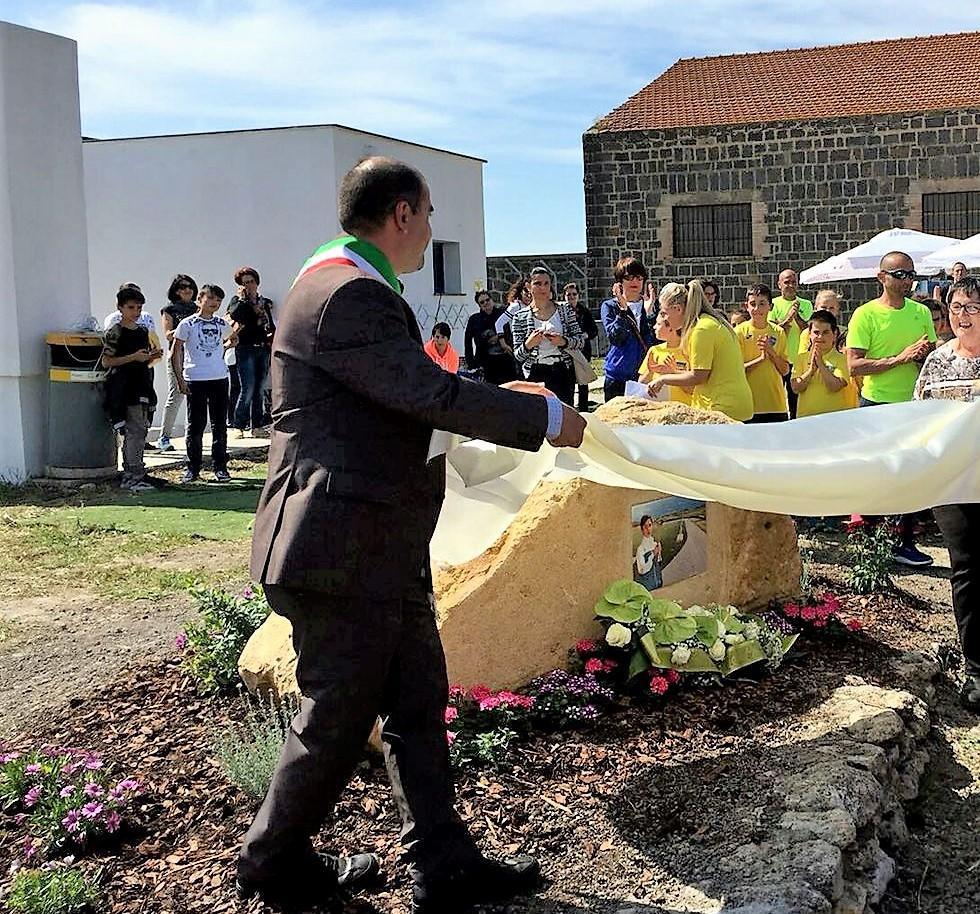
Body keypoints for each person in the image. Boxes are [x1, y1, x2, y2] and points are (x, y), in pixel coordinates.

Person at [238, 156, 586, 914]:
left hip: (375, 546)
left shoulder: (341, 286)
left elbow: (410, 401)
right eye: (427, 216)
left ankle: (443, 859)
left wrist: (497, 397)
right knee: (338, 713)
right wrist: (548, 418)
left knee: (416, 702)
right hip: (338, 547)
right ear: (400, 214)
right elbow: (425, 392)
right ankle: (272, 863)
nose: (431, 233)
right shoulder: (348, 293)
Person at [914, 275, 980, 712]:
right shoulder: (936, 362)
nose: (963, 315)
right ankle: (976, 670)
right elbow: (919, 418)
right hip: (953, 483)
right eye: (957, 307)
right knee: (967, 571)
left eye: (973, 307)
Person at [846, 250, 937, 567]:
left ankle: (904, 542)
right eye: (900, 274)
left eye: (911, 274)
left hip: (913, 405)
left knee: (911, 475)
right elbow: (854, 366)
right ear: (881, 277)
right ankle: (868, 540)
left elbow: (930, 359)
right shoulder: (865, 315)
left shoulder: (921, 313)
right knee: (876, 473)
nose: (908, 280)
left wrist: (923, 356)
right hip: (876, 404)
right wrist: (900, 358)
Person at [648, 281, 753, 421]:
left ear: (677, 309)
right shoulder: (704, 324)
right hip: (720, 405)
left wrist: (663, 379)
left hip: (723, 407)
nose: (664, 318)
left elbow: (698, 376)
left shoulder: (701, 329)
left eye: (664, 313)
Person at [171, 284, 234, 484]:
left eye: (219, 300)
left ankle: (220, 467)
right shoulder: (187, 324)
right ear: (200, 298)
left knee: (219, 424)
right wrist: (180, 379)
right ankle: (193, 468)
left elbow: (233, 337)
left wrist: (225, 347)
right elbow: (176, 351)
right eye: (211, 298)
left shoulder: (222, 323)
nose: (214, 303)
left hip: (219, 378)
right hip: (195, 378)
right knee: (195, 426)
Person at [101, 286, 162, 492]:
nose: (136, 311)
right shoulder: (115, 331)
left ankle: (138, 471)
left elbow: (145, 360)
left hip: (142, 383)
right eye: (131, 307)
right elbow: (107, 361)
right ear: (120, 308)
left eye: (139, 307)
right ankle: (131, 475)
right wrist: (133, 357)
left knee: (141, 429)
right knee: (134, 431)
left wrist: (151, 356)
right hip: (125, 387)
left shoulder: (143, 331)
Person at [510, 267, 585, 405]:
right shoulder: (519, 317)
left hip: (562, 370)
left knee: (564, 416)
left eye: (546, 283)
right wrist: (529, 344)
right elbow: (517, 356)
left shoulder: (565, 310)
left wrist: (563, 341)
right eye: (538, 283)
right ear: (529, 286)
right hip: (535, 372)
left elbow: (580, 341)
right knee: (538, 418)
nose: (543, 288)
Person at [600, 256, 656, 401]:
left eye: (639, 277)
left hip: (644, 375)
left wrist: (649, 314)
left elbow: (655, 342)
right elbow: (615, 338)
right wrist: (623, 311)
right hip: (618, 376)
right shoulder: (610, 306)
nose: (635, 282)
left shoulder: (649, 306)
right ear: (620, 282)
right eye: (629, 277)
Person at [228, 266, 275, 438]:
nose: (249, 285)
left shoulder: (264, 302)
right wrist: (242, 299)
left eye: (251, 281)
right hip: (245, 348)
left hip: (262, 348)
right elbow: (234, 315)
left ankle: (257, 425)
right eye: (244, 282)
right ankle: (238, 424)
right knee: (246, 387)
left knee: (259, 388)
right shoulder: (237, 301)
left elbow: (269, 323)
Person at [155, 274, 199, 451]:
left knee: (196, 397)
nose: (187, 290)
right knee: (176, 395)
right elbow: (167, 334)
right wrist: (185, 326)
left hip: (196, 356)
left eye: (190, 286)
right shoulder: (170, 309)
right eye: (182, 287)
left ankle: (193, 436)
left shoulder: (197, 308)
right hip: (177, 355)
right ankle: (164, 437)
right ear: (175, 291)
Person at [736, 284, 789, 422]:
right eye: (753, 304)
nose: (757, 309)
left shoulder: (779, 332)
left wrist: (771, 352)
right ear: (746, 306)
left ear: (770, 307)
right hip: (749, 406)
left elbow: (785, 370)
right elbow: (736, 371)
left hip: (776, 406)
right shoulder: (739, 332)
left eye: (762, 304)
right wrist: (760, 359)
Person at [791, 309, 853, 417]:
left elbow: (835, 387)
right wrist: (811, 371)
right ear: (809, 334)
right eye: (816, 332)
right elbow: (796, 388)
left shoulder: (842, 359)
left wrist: (820, 364)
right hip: (806, 419)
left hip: (833, 419)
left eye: (825, 333)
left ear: (834, 334)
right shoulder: (801, 358)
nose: (820, 337)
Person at [770, 268, 813, 418]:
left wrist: (797, 317)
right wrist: (788, 319)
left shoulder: (806, 304)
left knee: (796, 398)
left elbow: (807, 330)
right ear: (779, 285)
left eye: (793, 282)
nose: (790, 285)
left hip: (798, 358)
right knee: (777, 396)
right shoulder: (772, 304)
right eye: (786, 282)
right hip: (780, 359)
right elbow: (773, 332)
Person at [638, 310, 692, 405]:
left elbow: (692, 390)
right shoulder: (654, 350)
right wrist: (650, 371)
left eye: (658, 324)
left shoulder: (690, 351)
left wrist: (673, 373)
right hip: (659, 410)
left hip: (685, 411)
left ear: (672, 327)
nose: (654, 327)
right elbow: (640, 384)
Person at [463, 290, 517, 384]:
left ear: (492, 300)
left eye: (487, 300)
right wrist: (471, 363)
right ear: (479, 305)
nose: (485, 303)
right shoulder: (475, 320)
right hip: (486, 362)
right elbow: (467, 342)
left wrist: (499, 337)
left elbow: (511, 333)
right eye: (482, 302)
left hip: (505, 360)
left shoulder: (502, 315)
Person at [564, 282, 598, 411]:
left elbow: (594, 330)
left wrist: (584, 335)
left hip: (582, 351)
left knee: (583, 383)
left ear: (578, 295)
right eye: (568, 295)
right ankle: (570, 409)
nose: (571, 297)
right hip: (567, 352)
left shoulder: (584, 311)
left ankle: (583, 409)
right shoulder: (561, 311)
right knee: (569, 383)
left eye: (574, 294)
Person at [634, 515, 663, 591]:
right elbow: (642, 570)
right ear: (642, 529)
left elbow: (658, 564)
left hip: (659, 584)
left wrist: (659, 553)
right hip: (648, 588)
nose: (648, 529)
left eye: (649, 525)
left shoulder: (654, 544)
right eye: (645, 526)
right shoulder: (640, 549)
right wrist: (653, 554)